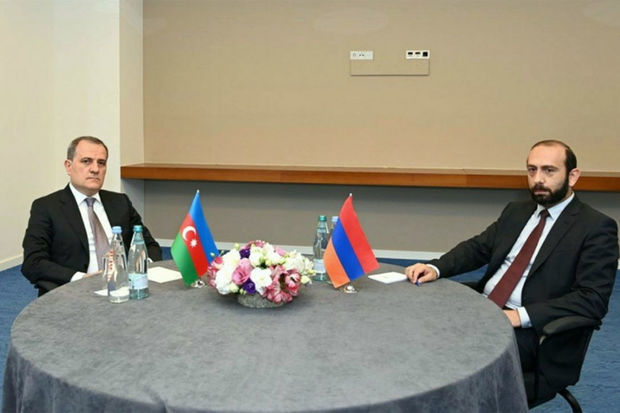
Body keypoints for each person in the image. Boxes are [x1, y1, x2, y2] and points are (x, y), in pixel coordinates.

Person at [405, 139, 618, 400]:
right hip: (485, 307)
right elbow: (478, 248)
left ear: (572, 176)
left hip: (532, 332)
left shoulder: (596, 227)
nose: (538, 179)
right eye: (532, 170)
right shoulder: (517, 211)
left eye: (549, 170)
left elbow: (592, 299)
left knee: (447, 353)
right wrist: (435, 267)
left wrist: (519, 316)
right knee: (414, 325)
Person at [22, 136, 162, 296]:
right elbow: (33, 262)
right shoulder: (47, 207)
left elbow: (149, 245)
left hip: (125, 287)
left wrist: (140, 269)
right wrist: (81, 279)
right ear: (68, 166)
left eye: (101, 163)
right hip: (75, 293)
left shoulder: (120, 202)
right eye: (86, 161)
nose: (95, 169)